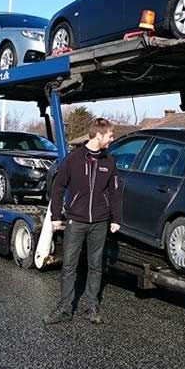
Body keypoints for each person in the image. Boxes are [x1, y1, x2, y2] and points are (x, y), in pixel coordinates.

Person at [43, 118, 123, 325]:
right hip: (75, 221)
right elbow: (58, 188)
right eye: (110, 136)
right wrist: (55, 216)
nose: (111, 139)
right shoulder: (73, 159)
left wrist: (116, 218)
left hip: (99, 221)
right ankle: (64, 308)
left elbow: (115, 192)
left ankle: (91, 306)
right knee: (69, 265)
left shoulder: (109, 161)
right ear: (98, 135)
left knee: (96, 265)